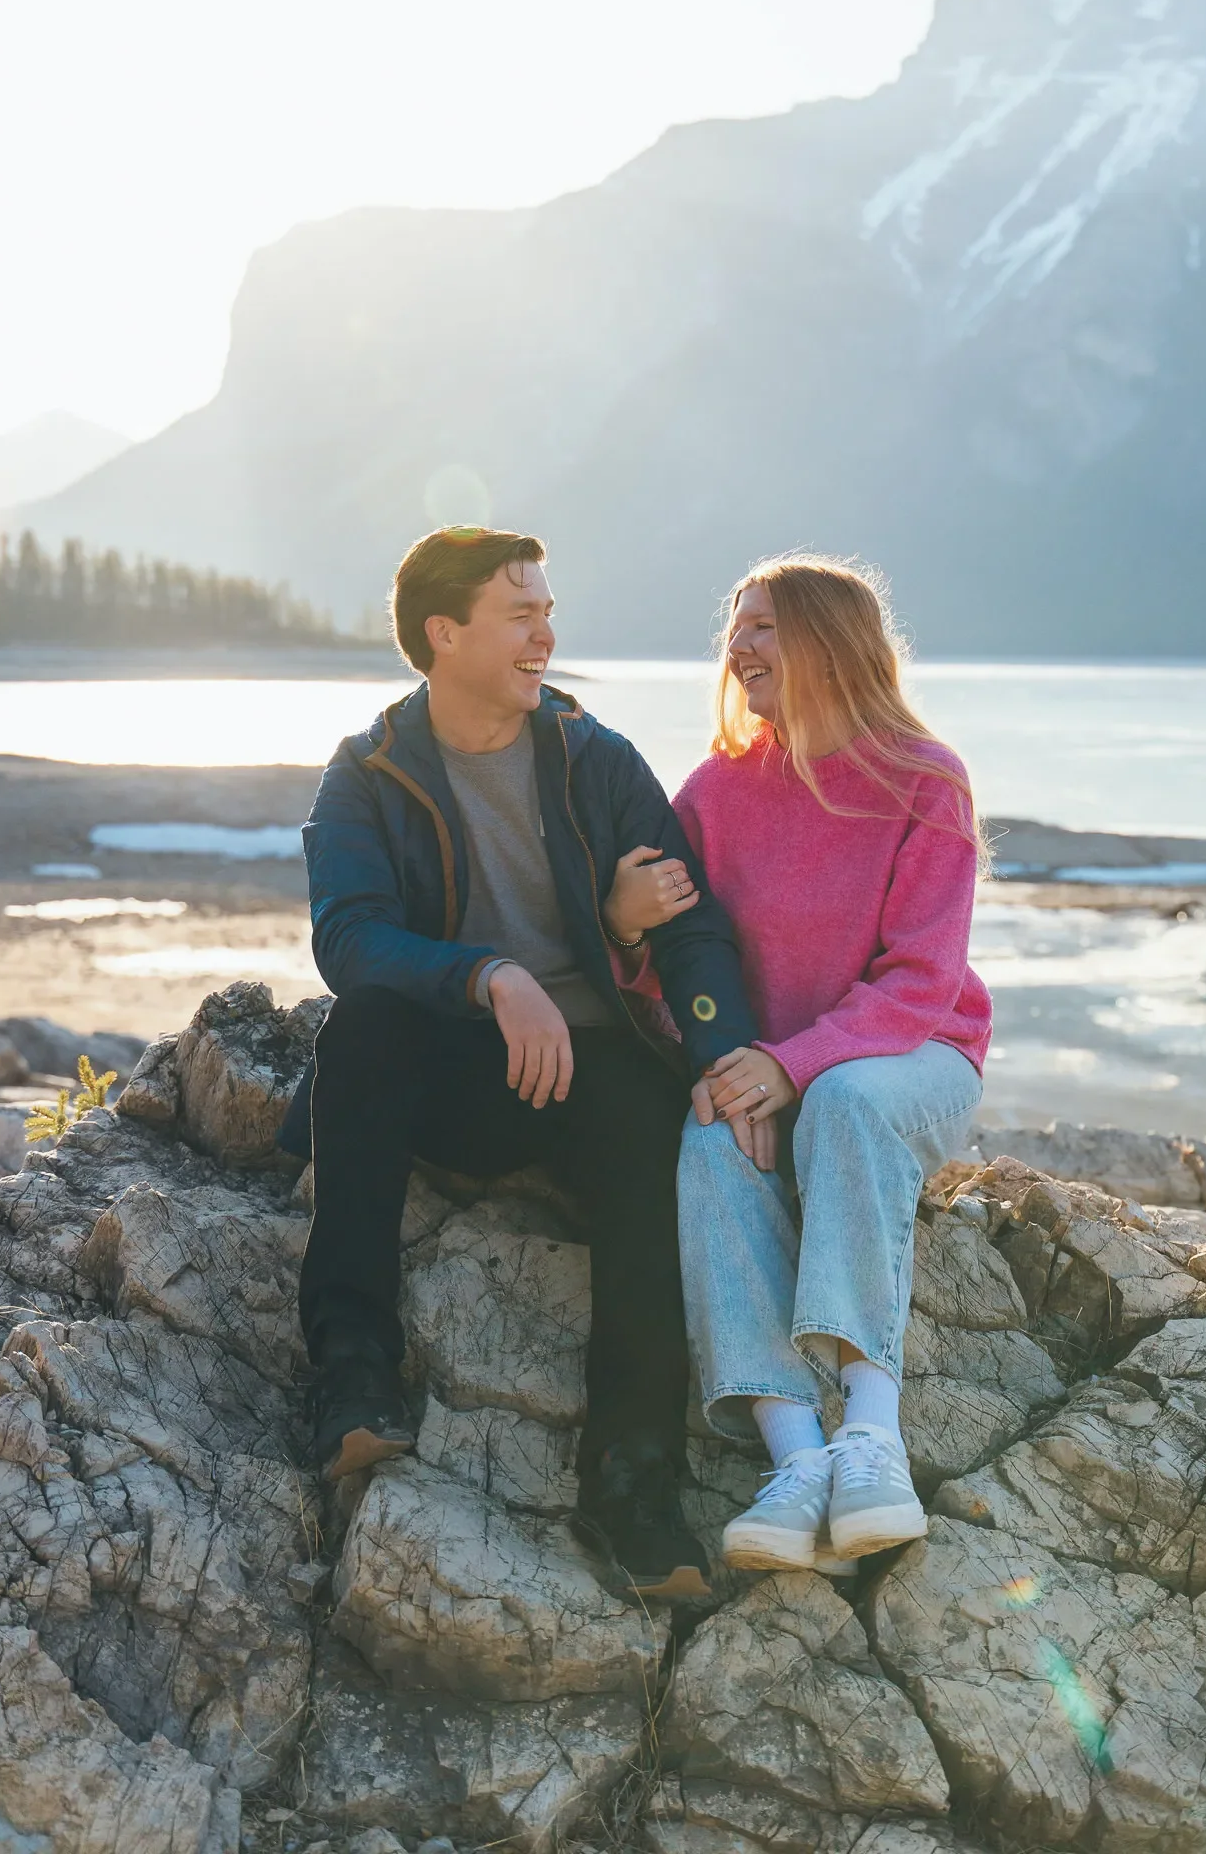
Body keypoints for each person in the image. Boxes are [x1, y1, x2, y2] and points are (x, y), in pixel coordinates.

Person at [281, 525, 757, 1604]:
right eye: (519, 610)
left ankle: (630, 1477)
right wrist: (490, 974)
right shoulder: (368, 772)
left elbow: (690, 927)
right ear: (443, 633)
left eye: (547, 608)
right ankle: (353, 1374)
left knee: (656, 1125)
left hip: (587, 1069)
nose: (546, 631)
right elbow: (349, 938)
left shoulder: (598, 760)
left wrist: (724, 1056)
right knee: (360, 1030)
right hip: (446, 1068)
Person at [629, 553, 990, 1573]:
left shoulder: (925, 777)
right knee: (709, 1130)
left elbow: (922, 978)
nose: (738, 645)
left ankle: (873, 1429)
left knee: (843, 1099)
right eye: (734, 627)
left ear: (831, 644)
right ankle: (796, 1457)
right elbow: (667, 967)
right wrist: (710, 1056)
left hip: (910, 1061)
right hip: (773, 1069)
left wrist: (793, 1065)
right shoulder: (712, 791)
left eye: (763, 626)